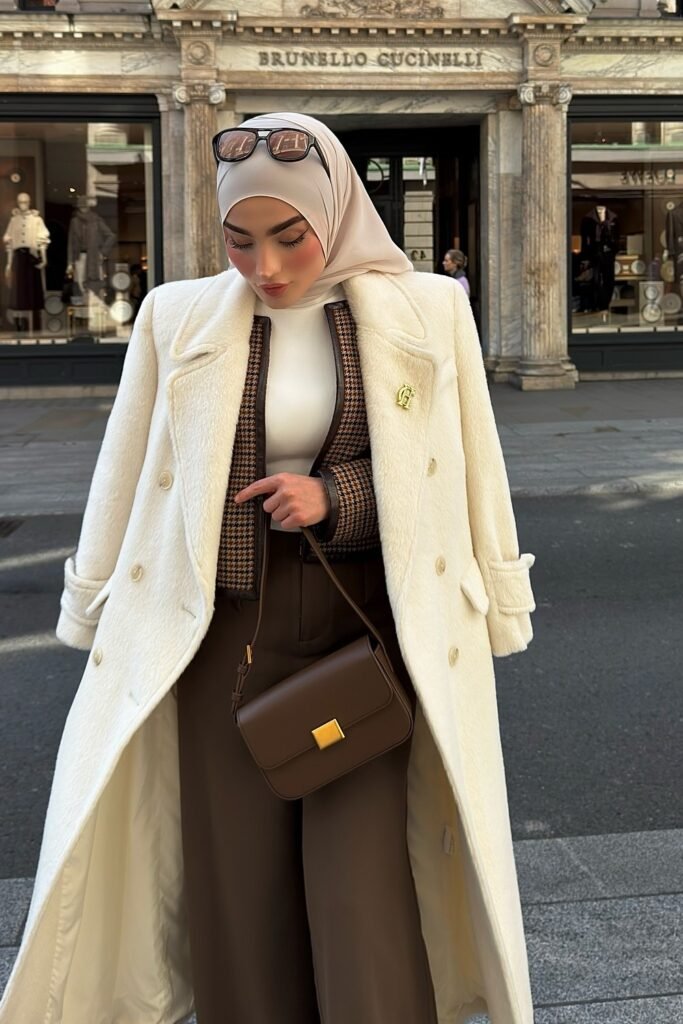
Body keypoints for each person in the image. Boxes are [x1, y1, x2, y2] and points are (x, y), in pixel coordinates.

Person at [0, 113, 537, 1024]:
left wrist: (339, 496)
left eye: (290, 236)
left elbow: (463, 464)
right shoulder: (176, 315)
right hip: (215, 632)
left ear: (335, 211)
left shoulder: (426, 310)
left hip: (363, 622)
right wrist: (90, 596)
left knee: (360, 889)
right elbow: (125, 468)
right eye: (239, 240)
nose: (266, 265)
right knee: (235, 886)